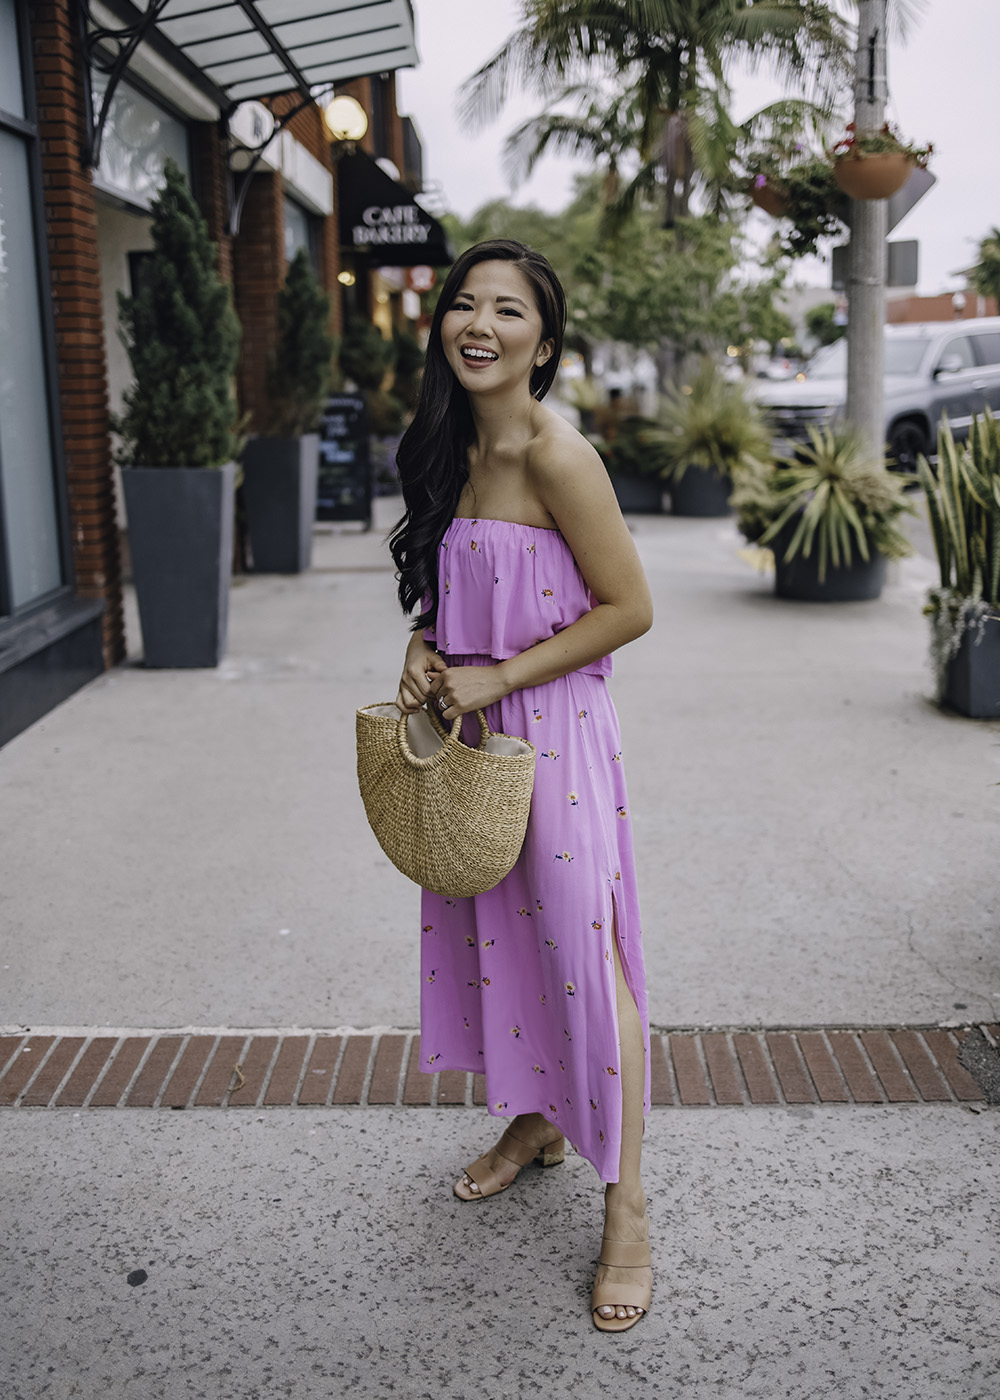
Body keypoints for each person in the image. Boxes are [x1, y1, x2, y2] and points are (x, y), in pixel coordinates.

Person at [389, 239, 654, 1332]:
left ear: (543, 345)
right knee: (505, 938)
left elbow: (629, 607)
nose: (480, 324)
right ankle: (540, 1118)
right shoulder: (444, 446)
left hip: (554, 736)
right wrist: (423, 644)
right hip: (471, 734)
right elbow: (453, 586)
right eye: (465, 304)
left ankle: (626, 1207)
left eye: (508, 310)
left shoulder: (559, 454)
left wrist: (500, 674)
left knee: (586, 956)